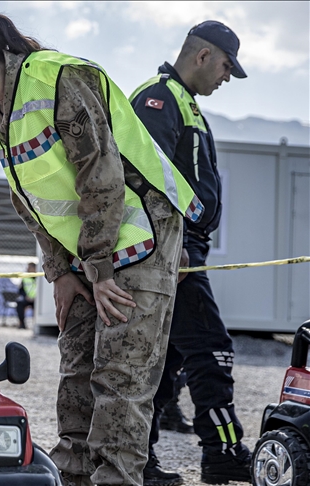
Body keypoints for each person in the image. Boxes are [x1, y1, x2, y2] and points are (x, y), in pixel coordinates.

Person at [0, 7, 202, 485]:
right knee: (78, 376)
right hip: (89, 247)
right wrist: (60, 271)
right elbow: (29, 196)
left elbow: (101, 178)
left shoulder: (60, 78)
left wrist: (100, 271)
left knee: (120, 382)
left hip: (143, 231)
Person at [130, 20, 251, 485]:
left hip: (185, 251)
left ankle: (140, 457)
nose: (225, 77)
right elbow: (144, 178)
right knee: (211, 350)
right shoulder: (158, 98)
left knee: (167, 364)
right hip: (171, 253)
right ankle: (222, 452)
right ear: (203, 56)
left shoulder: (188, 105)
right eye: (225, 67)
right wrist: (172, 244)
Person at [16, 262, 37, 329]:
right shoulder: (25, 278)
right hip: (27, 298)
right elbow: (20, 290)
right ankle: (22, 324)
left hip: (37, 300)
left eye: (29, 268)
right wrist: (25, 296)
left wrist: (36, 298)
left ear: (34, 268)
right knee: (19, 304)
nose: (27, 269)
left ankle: (36, 325)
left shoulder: (40, 277)